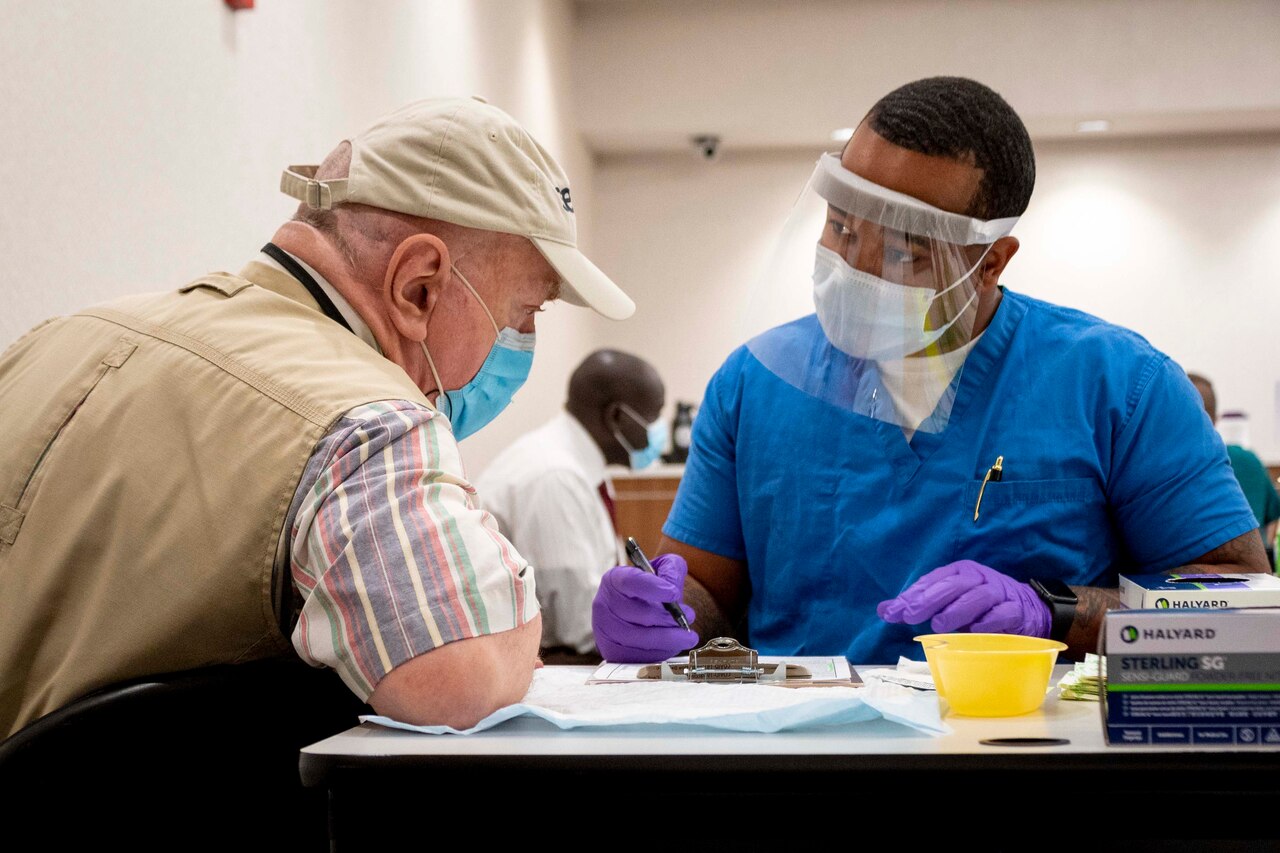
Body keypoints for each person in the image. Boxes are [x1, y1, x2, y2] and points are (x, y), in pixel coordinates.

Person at [0, 96, 635, 737]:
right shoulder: (370, 423)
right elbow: (457, 682)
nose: (522, 338)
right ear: (419, 286)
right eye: (526, 311)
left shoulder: (48, 344)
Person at [590, 76, 1268, 666]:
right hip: (802, 761)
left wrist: (1059, 611)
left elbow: (1235, 604)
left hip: (1026, 754)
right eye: (842, 229)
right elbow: (709, 591)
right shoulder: (753, 384)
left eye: (904, 254)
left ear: (992, 261)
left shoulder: (1121, 384)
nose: (855, 270)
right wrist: (661, 608)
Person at [476, 349, 666, 660]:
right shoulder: (555, 477)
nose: (658, 433)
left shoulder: (575, 466)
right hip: (552, 663)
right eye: (654, 418)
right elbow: (581, 627)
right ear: (616, 416)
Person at [1188, 373, 1280, 568]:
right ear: (1216, 418)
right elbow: (1274, 517)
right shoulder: (1249, 459)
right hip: (1258, 578)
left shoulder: (1177, 466)